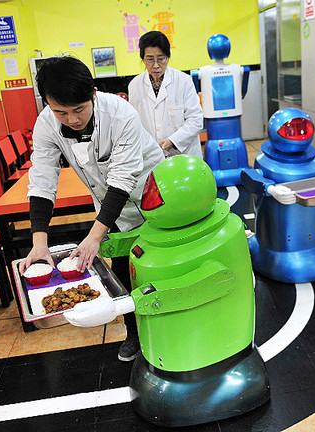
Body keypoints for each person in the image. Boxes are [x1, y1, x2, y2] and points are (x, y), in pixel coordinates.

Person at [18, 56, 164, 362]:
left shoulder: (121, 115)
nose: (71, 119)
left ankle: (166, 330)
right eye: (60, 112)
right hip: (112, 206)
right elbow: (42, 181)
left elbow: (123, 180)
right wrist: (39, 244)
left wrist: (93, 237)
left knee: (159, 265)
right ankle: (134, 334)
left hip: (153, 196)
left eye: (79, 109)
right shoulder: (46, 124)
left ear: (93, 95)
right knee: (123, 268)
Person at [128, 30, 204, 158]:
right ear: (143, 59)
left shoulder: (183, 81)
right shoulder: (135, 85)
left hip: (183, 155)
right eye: (150, 60)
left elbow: (196, 119)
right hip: (151, 155)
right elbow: (134, 123)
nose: (156, 65)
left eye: (161, 59)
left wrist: (173, 141)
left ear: (168, 57)